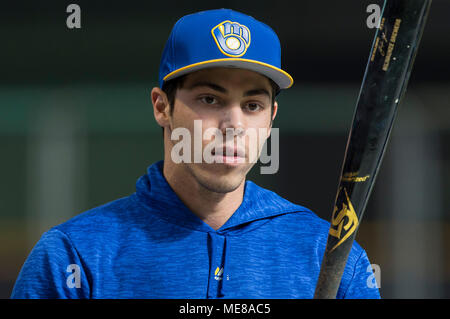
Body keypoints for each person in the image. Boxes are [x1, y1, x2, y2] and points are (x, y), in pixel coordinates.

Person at [11, 8, 380, 299]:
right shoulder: (75, 258)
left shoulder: (328, 256)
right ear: (162, 107)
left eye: (252, 105)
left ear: (271, 119)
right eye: (209, 99)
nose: (233, 124)